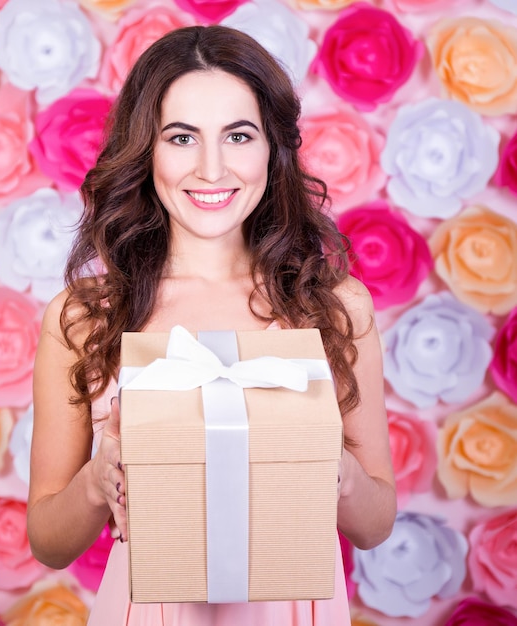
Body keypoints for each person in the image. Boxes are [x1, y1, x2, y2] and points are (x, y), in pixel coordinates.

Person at [28, 24, 397, 626]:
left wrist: (339, 472)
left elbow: (375, 526)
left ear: (271, 148)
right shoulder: (85, 317)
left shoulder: (334, 305)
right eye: (181, 137)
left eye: (238, 135)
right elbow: (49, 541)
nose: (211, 167)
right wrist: (98, 482)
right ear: (146, 149)